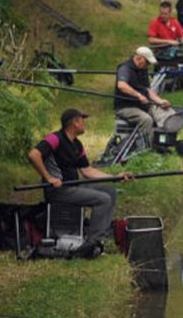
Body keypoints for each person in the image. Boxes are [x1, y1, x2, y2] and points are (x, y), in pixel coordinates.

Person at [27, 108, 132, 255]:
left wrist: (115, 177)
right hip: (58, 191)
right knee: (103, 199)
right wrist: (49, 177)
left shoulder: (77, 145)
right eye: (82, 120)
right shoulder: (55, 138)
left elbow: (87, 171)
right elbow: (33, 154)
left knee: (110, 192)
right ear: (74, 122)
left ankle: (99, 234)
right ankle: (92, 243)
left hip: (73, 186)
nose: (84, 124)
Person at [114, 47, 173, 139]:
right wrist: (138, 95)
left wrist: (160, 101)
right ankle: (145, 145)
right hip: (126, 106)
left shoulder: (143, 70)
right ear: (139, 58)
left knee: (167, 113)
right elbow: (122, 85)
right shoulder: (125, 68)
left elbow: (148, 90)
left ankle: (162, 141)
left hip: (142, 105)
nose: (148, 65)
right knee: (147, 120)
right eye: (147, 62)